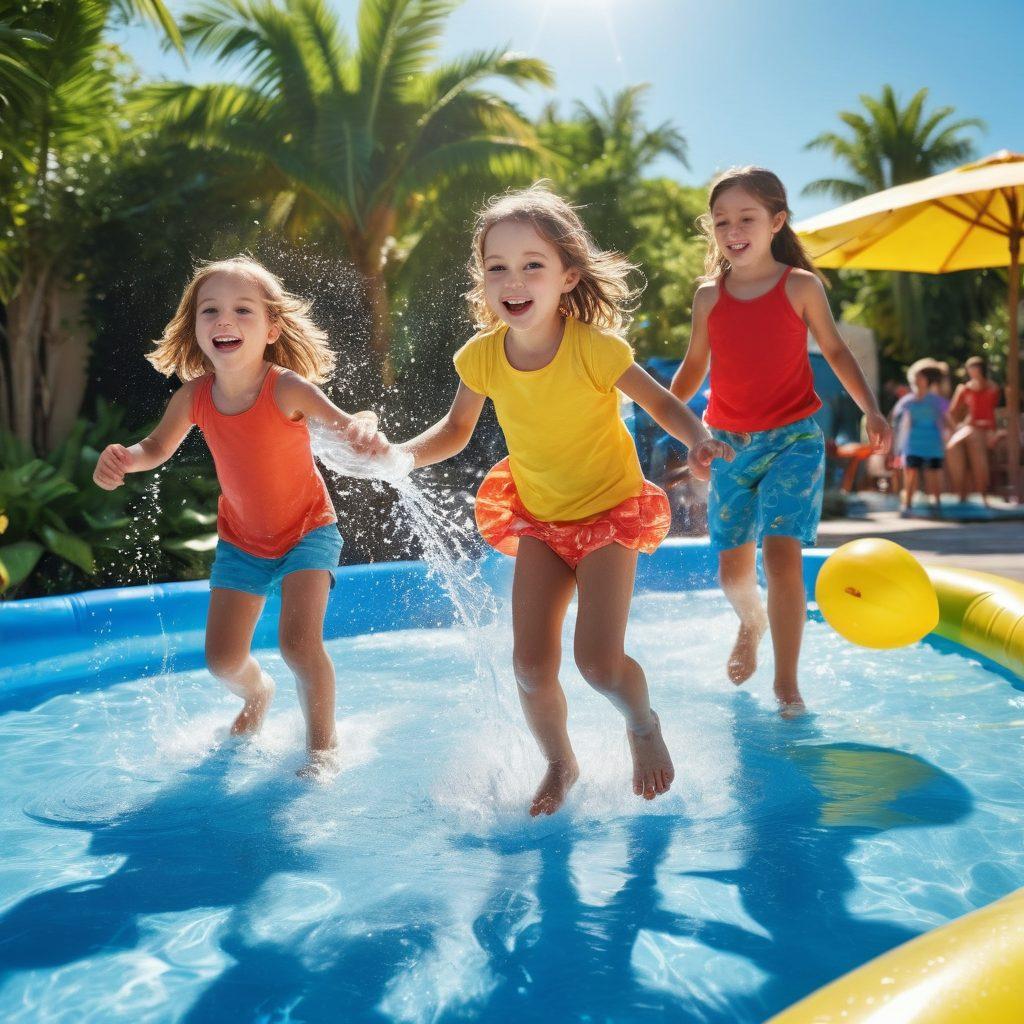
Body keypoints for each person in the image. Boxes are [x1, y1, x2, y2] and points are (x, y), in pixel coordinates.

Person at [397, 184, 734, 816]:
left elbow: (659, 401)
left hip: (609, 512)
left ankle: (641, 723)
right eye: (497, 267)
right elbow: (453, 433)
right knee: (529, 666)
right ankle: (560, 761)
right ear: (482, 279)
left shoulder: (592, 347)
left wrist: (698, 438)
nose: (513, 280)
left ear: (567, 276)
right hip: (539, 519)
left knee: (600, 665)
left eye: (532, 265)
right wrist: (398, 455)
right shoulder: (481, 357)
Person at [93, 256, 389, 777]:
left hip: (307, 531)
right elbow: (155, 448)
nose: (224, 320)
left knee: (299, 643)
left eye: (242, 310)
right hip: (242, 542)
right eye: (210, 311)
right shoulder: (195, 396)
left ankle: (322, 749)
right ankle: (258, 695)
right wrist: (125, 458)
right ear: (195, 328)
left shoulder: (286, 388)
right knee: (223, 661)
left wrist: (366, 422)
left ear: (272, 327)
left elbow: (348, 426)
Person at [670, 167, 891, 718]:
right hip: (727, 445)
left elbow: (837, 352)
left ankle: (786, 684)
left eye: (747, 218)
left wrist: (871, 409)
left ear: (777, 222)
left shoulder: (799, 285)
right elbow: (694, 368)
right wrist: (681, 433)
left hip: (794, 439)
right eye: (722, 221)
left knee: (782, 553)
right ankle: (751, 622)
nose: (733, 229)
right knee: (732, 572)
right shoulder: (707, 298)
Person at [891, 363, 950, 517]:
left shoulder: (936, 401)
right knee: (910, 473)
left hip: (933, 443)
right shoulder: (907, 401)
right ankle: (907, 506)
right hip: (912, 443)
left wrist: (950, 437)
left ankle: (937, 505)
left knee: (933, 474)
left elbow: (949, 419)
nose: (917, 379)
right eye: (916, 376)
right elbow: (894, 419)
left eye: (921, 376)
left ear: (927, 380)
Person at [946, 355, 1001, 505]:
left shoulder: (992, 388)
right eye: (970, 369)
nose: (972, 372)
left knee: (976, 446)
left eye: (975, 368)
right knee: (953, 447)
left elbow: (990, 411)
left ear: (981, 369)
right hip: (970, 428)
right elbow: (951, 412)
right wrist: (956, 426)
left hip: (986, 429)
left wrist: (992, 431)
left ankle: (982, 494)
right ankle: (961, 492)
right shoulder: (964, 389)